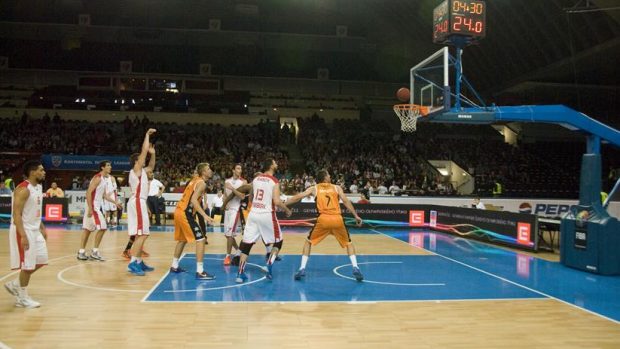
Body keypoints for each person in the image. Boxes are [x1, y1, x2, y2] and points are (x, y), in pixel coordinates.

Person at [286, 169, 364, 282]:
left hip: (323, 220)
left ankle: (302, 268)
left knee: (308, 242)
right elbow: (346, 201)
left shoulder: (315, 188)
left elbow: (298, 197)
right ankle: (355, 267)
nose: (330, 176)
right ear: (325, 177)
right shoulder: (337, 188)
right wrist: (356, 216)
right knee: (349, 243)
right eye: (328, 174)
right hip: (337, 219)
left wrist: (283, 205)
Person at [235, 158, 291, 283]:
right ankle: (269, 264)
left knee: (247, 246)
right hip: (267, 215)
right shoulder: (274, 181)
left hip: (253, 214)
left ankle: (240, 273)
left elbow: (252, 198)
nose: (277, 163)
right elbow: (276, 201)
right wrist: (286, 210)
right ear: (271, 166)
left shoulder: (256, 179)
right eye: (275, 162)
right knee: (278, 242)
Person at [4, 160, 48, 308]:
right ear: (32, 172)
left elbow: (35, 210)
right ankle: (22, 298)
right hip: (24, 230)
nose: (44, 172)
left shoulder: (38, 187)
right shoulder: (23, 189)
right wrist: (22, 235)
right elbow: (16, 214)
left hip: (35, 230)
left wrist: (42, 226)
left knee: (41, 260)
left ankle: (15, 284)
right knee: (28, 265)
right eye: (41, 170)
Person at [169, 163, 216, 280]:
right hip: (185, 213)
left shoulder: (195, 180)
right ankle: (200, 271)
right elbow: (194, 201)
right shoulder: (202, 183)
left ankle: (174, 266)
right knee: (201, 239)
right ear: (203, 172)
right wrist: (205, 216)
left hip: (178, 211)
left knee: (182, 240)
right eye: (208, 169)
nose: (210, 171)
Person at [126, 128, 157, 276]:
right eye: (141, 158)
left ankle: (138, 261)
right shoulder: (136, 170)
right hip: (137, 201)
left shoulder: (143, 171)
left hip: (139, 202)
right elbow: (143, 153)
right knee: (143, 233)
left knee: (140, 234)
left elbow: (151, 166)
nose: (143, 160)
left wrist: (154, 154)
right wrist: (146, 135)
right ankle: (133, 262)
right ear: (136, 162)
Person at [77, 161, 121, 261]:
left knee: (87, 230)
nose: (110, 167)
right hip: (93, 206)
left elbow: (104, 195)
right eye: (108, 165)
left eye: (110, 165)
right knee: (103, 227)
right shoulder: (97, 178)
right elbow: (88, 193)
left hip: (94, 205)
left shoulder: (105, 179)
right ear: (102, 167)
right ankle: (95, 252)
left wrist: (115, 202)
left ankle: (81, 252)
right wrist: (90, 208)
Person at [222, 164, 247, 265]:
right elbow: (225, 195)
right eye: (238, 168)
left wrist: (232, 189)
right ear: (233, 170)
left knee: (230, 234)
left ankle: (227, 256)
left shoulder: (243, 182)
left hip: (236, 210)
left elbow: (242, 196)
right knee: (228, 236)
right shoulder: (226, 181)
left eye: (241, 168)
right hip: (228, 210)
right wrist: (225, 203)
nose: (240, 170)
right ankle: (238, 250)